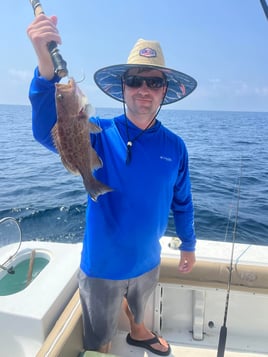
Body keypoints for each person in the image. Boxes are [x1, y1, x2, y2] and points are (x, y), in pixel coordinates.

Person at [27, 14, 197, 356]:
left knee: (139, 307)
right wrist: (45, 66)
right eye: (135, 81)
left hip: (148, 258)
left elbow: (183, 199)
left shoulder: (175, 146)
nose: (144, 90)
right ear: (123, 87)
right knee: (99, 337)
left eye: (154, 83)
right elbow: (46, 127)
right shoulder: (99, 132)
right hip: (102, 265)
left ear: (165, 90)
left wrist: (188, 243)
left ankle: (138, 331)